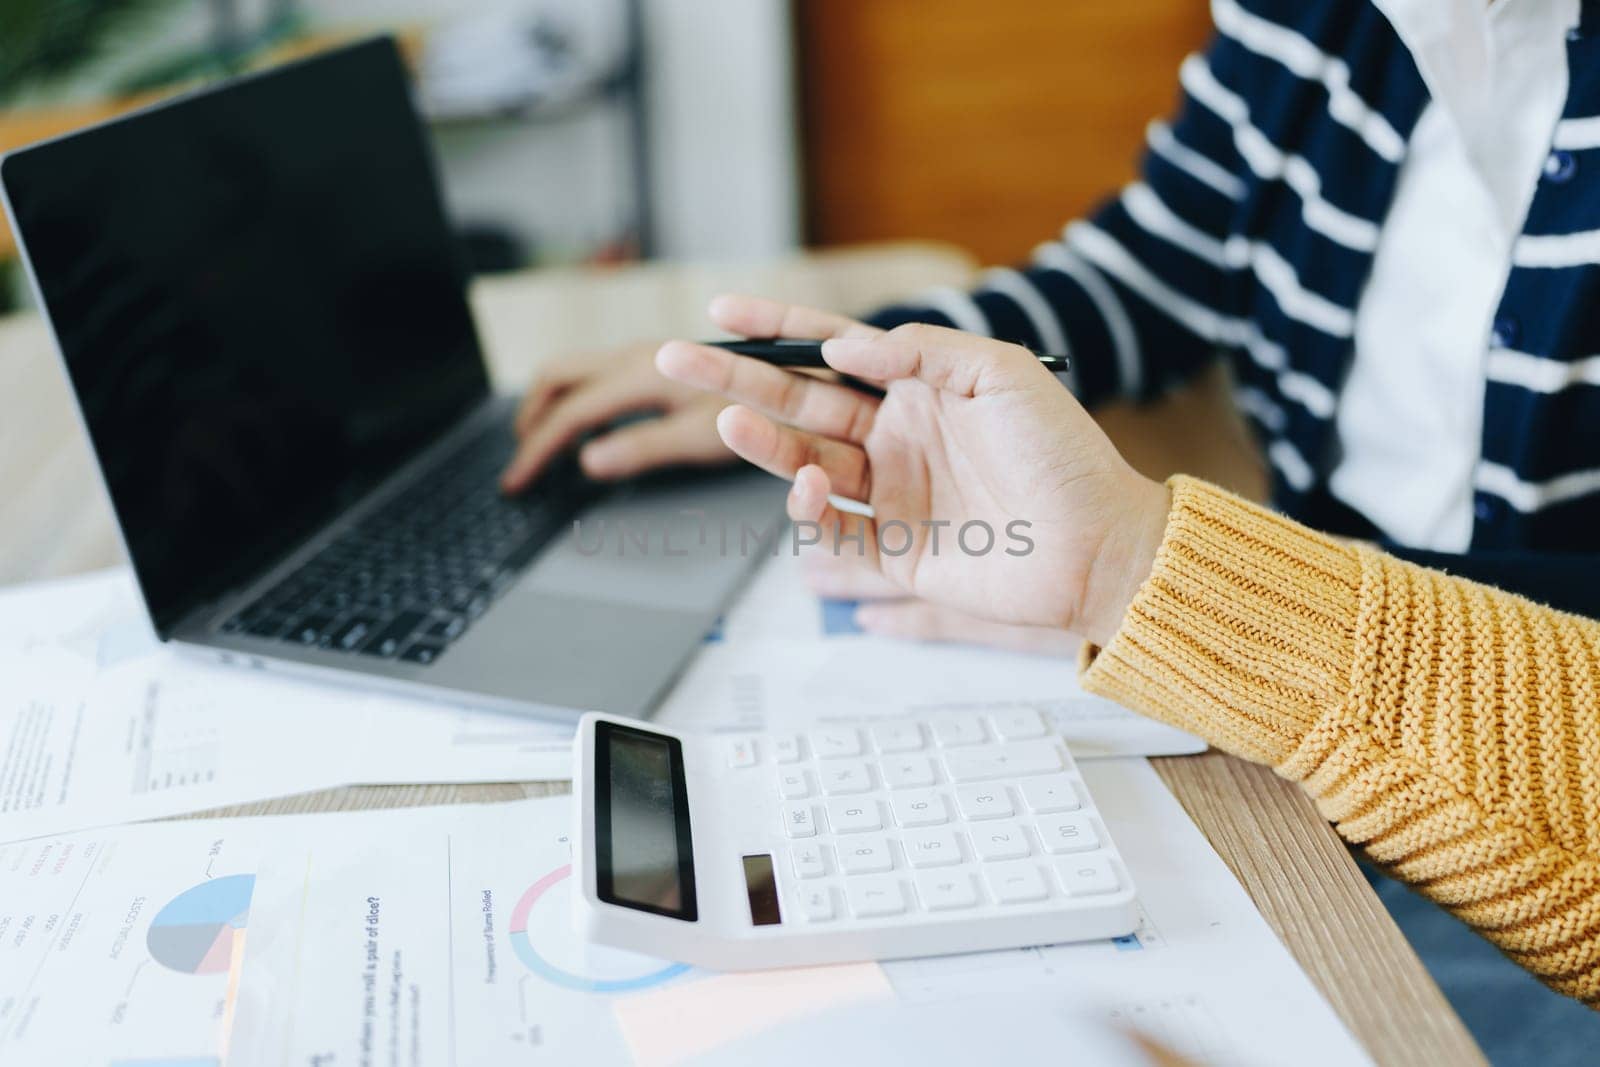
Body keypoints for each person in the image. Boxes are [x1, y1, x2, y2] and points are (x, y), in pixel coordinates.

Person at [501, 0, 1600, 1014]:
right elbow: (1153, 269)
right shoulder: (1324, 15)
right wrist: (859, 369)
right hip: (1299, 715)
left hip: (1491, 828)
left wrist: (1167, 580)